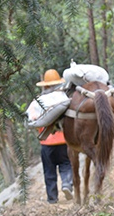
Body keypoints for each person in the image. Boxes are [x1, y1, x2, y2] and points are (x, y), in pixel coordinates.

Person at [35, 69, 74, 204]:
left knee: (49, 171)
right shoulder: (63, 99)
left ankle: (52, 198)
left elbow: (33, 119)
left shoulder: (39, 101)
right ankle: (67, 184)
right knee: (66, 165)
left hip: (46, 144)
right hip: (64, 141)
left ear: (45, 85)